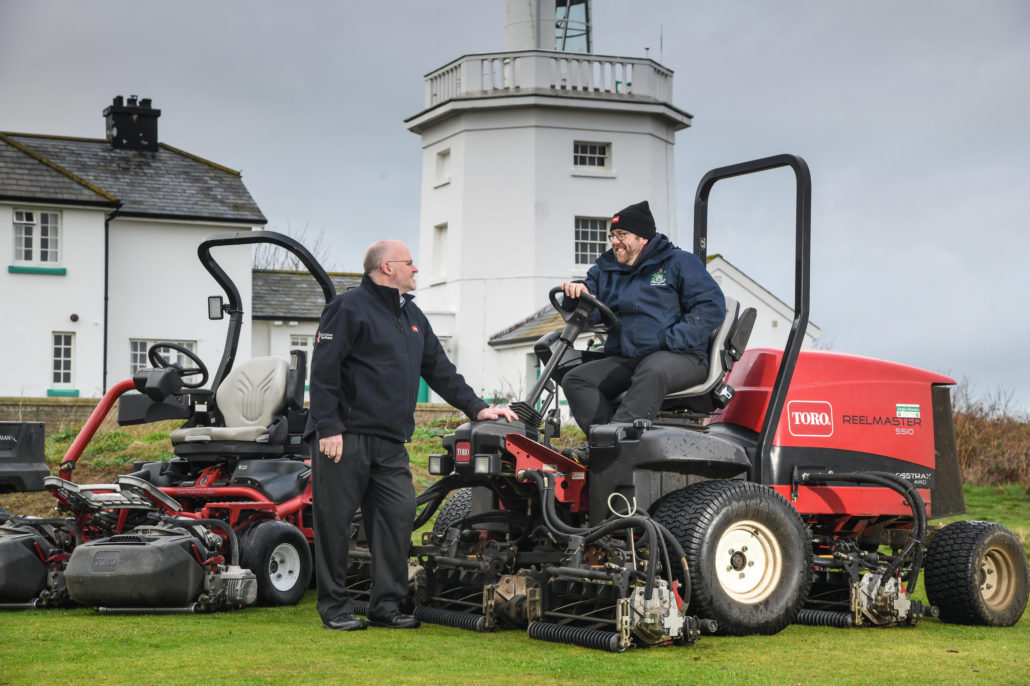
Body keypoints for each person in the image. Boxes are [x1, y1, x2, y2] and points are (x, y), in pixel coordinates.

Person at [306, 239, 518, 632]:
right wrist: (328, 426)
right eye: (410, 263)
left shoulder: (413, 315)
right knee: (334, 522)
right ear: (387, 268)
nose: (416, 269)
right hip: (346, 437)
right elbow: (324, 370)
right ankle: (335, 607)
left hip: (391, 441)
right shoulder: (347, 308)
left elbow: (440, 369)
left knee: (398, 516)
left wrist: (478, 408)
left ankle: (385, 606)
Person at [559, 200, 726, 438]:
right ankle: (606, 439)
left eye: (622, 234)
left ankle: (618, 439)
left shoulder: (678, 263)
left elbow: (711, 306)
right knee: (575, 379)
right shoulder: (607, 269)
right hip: (629, 357)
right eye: (613, 235)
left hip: (682, 356)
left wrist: (670, 340)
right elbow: (592, 310)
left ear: (643, 238)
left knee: (652, 370)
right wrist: (575, 294)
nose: (615, 241)